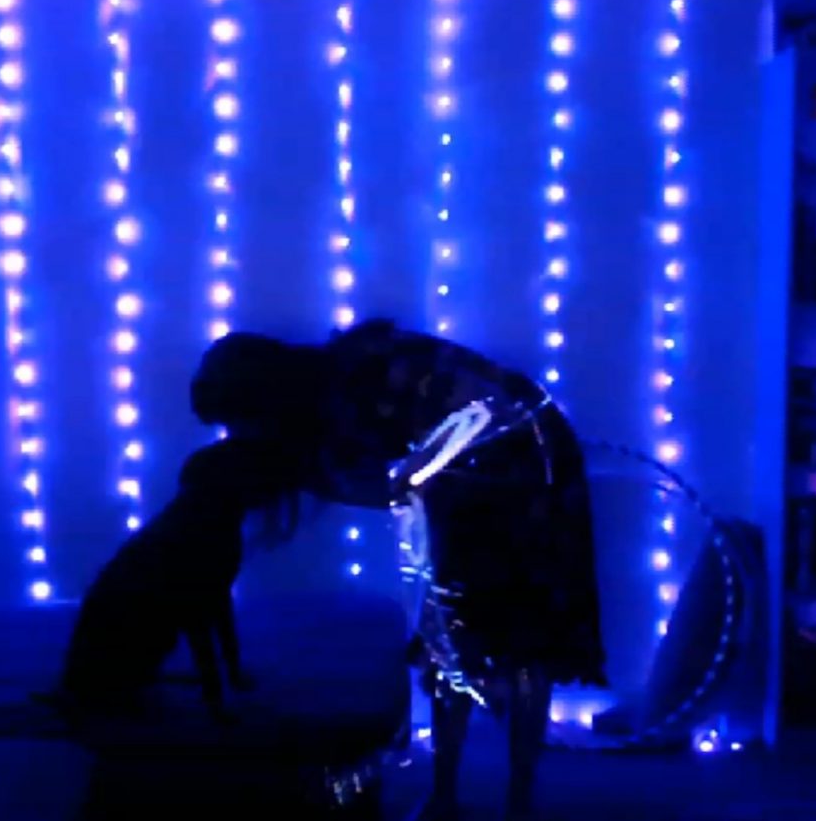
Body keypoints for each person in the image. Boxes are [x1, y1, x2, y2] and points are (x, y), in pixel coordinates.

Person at [191, 319, 606, 820]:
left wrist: (409, 474)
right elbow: (392, 484)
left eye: (241, 421)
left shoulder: (363, 378)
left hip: (524, 468)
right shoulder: (342, 396)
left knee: (521, 637)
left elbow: (473, 418)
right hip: (482, 470)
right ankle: (452, 796)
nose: (243, 435)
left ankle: (507, 800)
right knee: (456, 636)